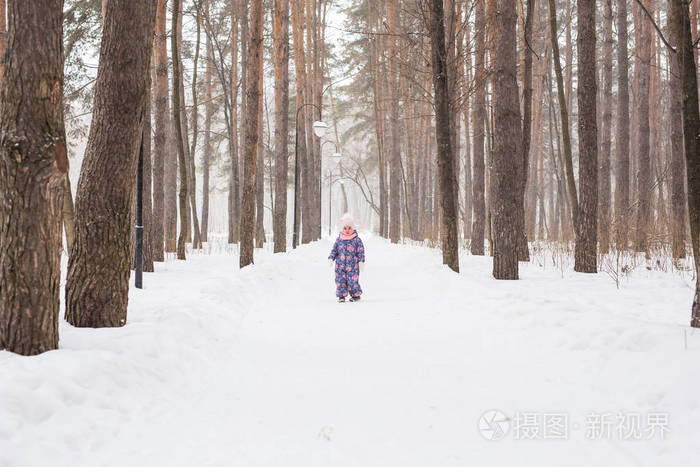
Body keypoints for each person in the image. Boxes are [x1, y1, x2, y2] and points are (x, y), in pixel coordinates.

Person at [328, 215, 365, 302]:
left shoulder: (356, 240)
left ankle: (356, 295)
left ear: (353, 228)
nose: (347, 230)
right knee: (340, 280)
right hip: (340, 266)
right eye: (345, 228)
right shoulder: (339, 240)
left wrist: (361, 261)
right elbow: (334, 250)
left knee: (352, 281)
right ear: (342, 229)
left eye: (349, 228)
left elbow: (360, 251)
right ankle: (341, 296)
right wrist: (331, 258)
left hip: (353, 266)